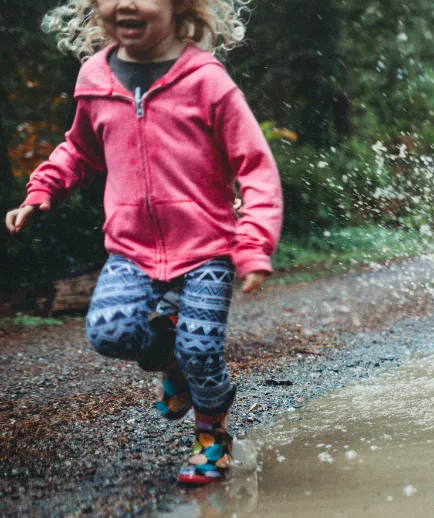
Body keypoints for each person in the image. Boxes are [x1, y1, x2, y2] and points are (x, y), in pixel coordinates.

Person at [5, 0, 283, 484]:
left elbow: (253, 164)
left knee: (202, 348)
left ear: (180, 7)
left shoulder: (207, 80)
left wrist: (254, 244)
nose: (126, 3)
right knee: (110, 334)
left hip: (207, 246)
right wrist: (44, 186)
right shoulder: (96, 77)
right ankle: (173, 362)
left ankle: (212, 436)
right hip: (131, 248)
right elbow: (80, 147)